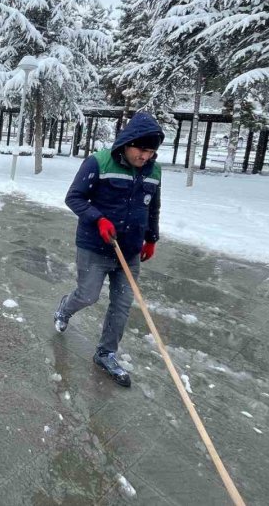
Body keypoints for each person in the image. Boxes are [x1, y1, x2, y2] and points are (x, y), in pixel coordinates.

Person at [54, 112, 164, 388]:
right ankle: (64, 310)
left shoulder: (154, 170)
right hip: (95, 246)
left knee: (122, 305)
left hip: (129, 250)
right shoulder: (98, 162)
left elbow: (153, 206)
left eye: (151, 152)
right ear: (127, 144)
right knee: (88, 295)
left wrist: (151, 237)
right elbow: (74, 197)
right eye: (141, 150)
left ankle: (106, 353)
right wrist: (98, 218)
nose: (145, 157)